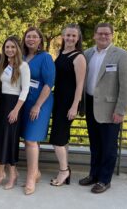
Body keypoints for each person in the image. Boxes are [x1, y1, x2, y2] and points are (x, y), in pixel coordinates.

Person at [79, 23, 127, 193]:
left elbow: (126, 86)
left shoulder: (122, 55)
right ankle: (93, 175)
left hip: (110, 110)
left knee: (109, 147)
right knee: (95, 145)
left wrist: (121, 110)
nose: (103, 36)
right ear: (94, 35)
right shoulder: (87, 53)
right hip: (91, 105)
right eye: (100, 33)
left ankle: (104, 180)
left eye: (107, 34)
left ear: (112, 35)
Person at [0, 36, 30, 190]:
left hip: (14, 105)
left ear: (17, 49)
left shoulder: (23, 66)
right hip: (2, 104)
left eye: (13, 47)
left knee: (9, 140)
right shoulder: (3, 64)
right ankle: (4, 173)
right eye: (7, 47)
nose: (10, 50)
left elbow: (25, 90)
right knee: (0, 138)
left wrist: (16, 110)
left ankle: (9, 174)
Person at [49, 24, 86, 186]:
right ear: (63, 36)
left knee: (57, 138)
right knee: (62, 137)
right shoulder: (61, 53)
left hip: (68, 103)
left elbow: (80, 85)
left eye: (73, 36)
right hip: (58, 100)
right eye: (67, 35)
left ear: (78, 39)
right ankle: (64, 169)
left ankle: (64, 171)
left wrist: (74, 106)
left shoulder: (79, 57)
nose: (70, 38)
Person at [20, 27, 55, 195]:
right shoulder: (22, 57)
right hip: (23, 101)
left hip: (39, 102)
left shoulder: (46, 57)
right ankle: (36, 172)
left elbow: (49, 84)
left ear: (40, 40)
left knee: (31, 140)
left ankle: (30, 177)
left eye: (35, 37)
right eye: (28, 36)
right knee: (28, 139)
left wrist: (37, 105)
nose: (31, 39)